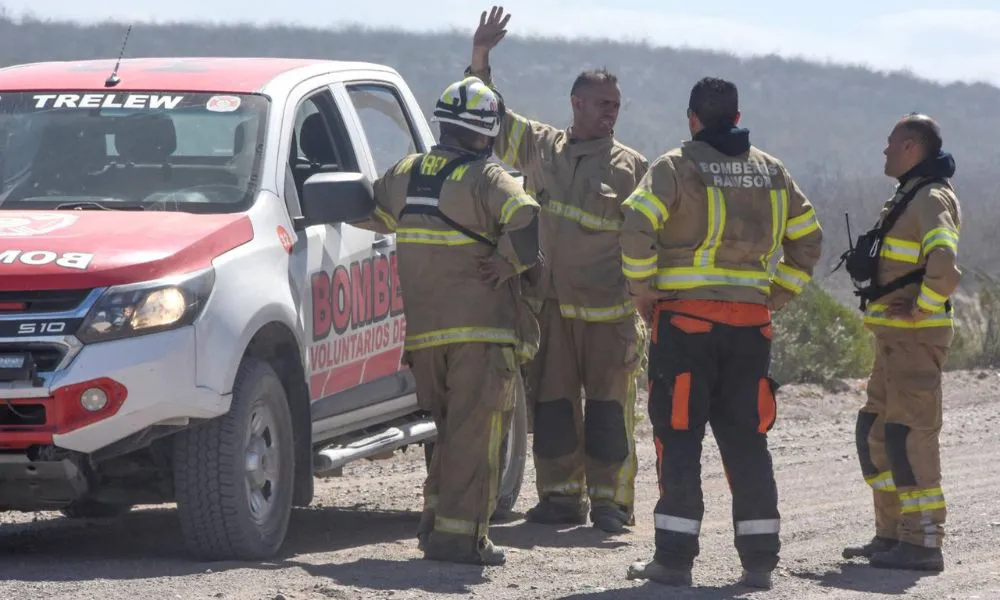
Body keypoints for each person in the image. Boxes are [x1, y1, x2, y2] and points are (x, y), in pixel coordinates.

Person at [620, 76, 823, 588]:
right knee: (747, 441)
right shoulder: (772, 172)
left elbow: (636, 224)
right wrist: (776, 294)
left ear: (692, 118)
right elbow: (808, 240)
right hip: (750, 329)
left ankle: (673, 560)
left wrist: (643, 292)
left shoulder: (675, 166)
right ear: (736, 118)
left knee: (679, 439)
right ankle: (758, 562)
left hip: (687, 325)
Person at [464, 5, 650, 534]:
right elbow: (489, 119)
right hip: (549, 312)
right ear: (576, 103)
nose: (610, 113)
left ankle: (612, 505)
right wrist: (480, 57)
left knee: (610, 415)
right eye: (601, 104)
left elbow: (649, 239)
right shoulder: (543, 148)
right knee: (552, 410)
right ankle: (560, 500)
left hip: (608, 316)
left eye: (615, 106)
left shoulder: (632, 167)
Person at [367, 75, 542, 566]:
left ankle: (436, 525)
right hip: (481, 333)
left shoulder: (405, 172)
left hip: (425, 335)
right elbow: (527, 217)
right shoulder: (488, 177)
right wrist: (509, 263)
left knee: (448, 435)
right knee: (477, 438)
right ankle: (462, 540)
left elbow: (374, 212)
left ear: (443, 123)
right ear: (485, 133)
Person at [840, 113, 960, 572]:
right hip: (892, 341)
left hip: (915, 339)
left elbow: (944, 262)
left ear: (912, 146)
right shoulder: (908, 195)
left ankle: (924, 543)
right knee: (875, 434)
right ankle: (891, 535)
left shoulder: (931, 198)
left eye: (891, 143)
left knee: (909, 438)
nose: (884, 151)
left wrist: (922, 306)